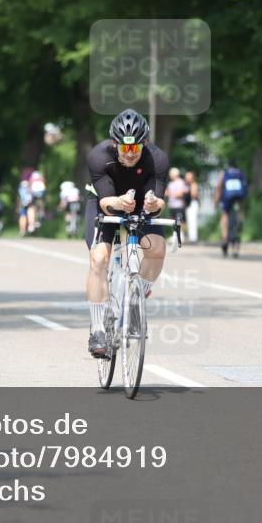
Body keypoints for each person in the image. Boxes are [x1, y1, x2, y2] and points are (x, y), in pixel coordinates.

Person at [84, 109, 169, 357]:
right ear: (114, 144)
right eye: (124, 149)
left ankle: (135, 301)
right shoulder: (99, 157)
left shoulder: (158, 159)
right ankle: (98, 330)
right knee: (99, 258)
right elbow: (105, 203)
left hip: (142, 199)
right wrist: (120, 203)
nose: (130, 154)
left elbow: (160, 201)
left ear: (144, 144)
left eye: (135, 149)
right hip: (106, 199)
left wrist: (154, 205)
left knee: (157, 249)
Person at [215, 160, 247, 255]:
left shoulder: (224, 173)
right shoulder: (240, 173)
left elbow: (219, 187)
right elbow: (245, 187)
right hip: (239, 197)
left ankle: (225, 237)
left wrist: (216, 200)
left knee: (225, 214)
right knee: (239, 211)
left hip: (228, 197)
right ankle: (239, 225)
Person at [184, 170, 200, 243]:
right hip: (189, 204)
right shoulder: (187, 185)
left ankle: (193, 237)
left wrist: (186, 193)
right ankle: (191, 237)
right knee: (189, 220)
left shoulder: (193, 184)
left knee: (192, 220)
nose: (187, 178)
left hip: (193, 203)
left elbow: (194, 195)